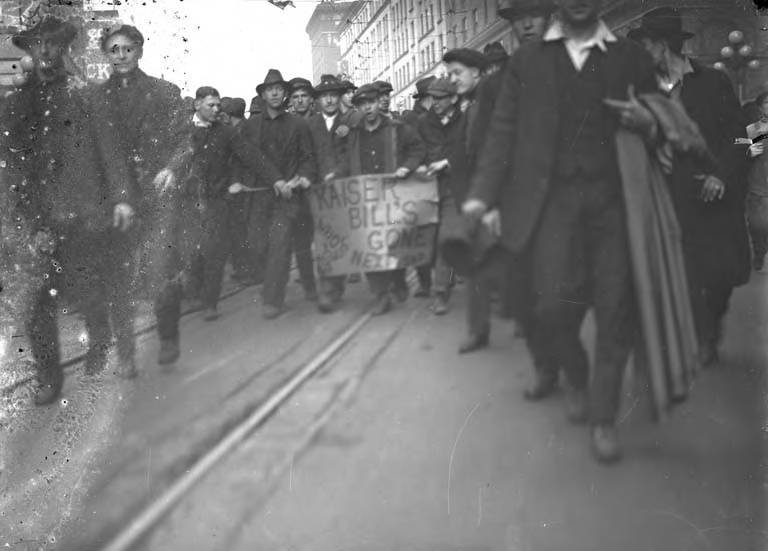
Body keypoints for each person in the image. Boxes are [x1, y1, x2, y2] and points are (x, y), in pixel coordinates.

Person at [464, 0, 658, 463]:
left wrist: (649, 121)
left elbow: (661, 119)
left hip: (614, 202)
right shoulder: (528, 61)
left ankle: (603, 417)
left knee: (615, 308)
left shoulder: (629, 57)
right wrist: (482, 194)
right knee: (550, 305)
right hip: (552, 206)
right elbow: (503, 132)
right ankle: (575, 373)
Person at [3, 17, 137, 403]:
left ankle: (99, 340)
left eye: (53, 44)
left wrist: (123, 196)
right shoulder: (15, 103)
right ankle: (49, 377)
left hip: (81, 214)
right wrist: (16, 215)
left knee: (88, 292)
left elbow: (110, 151)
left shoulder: (86, 95)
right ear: (29, 50)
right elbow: (9, 162)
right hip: (35, 217)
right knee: (34, 303)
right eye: (38, 44)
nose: (45, 51)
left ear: (64, 49)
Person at [629, 7, 751, 366]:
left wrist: (722, 176)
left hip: (709, 195)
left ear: (663, 45)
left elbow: (741, 139)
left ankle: (709, 331)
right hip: (664, 196)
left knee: (717, 276)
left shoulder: (712, 82)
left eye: (645, 44)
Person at [181, 87, 281, 322]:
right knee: (192, 251)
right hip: (188, 202)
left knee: (215, 251)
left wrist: (275, 178)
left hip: (217, 201)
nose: (217, 109)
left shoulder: (226, 133)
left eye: (218, 105)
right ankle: (194, 294)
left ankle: (210, 302)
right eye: (211, 105)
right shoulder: (181, 132)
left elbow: (252, 156)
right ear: (197, 105)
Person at [331, 83, 425, 315]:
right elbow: (348, 160)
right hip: (366, 199)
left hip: (394, 196)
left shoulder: (398, 129)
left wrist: (406, 167)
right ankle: (380, 295)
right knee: (370, 247)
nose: (368, 108)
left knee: (395, 243)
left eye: (371, 103)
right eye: (362, 105)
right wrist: (337, 174)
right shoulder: (354, 134)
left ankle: (398, 280)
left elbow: (417, 150)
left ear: (378, 103)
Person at [443, 47, 504, 354]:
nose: (452, 79)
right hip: (477, 200)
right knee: (478, 266)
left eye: (458, 73)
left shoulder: (489, 105)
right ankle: (479, 330)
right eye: (449, 74)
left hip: (494, 200)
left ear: (477, 73)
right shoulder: (468, 107)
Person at [241, 69, 315, 319]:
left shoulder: (298, 124)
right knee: (257, 245)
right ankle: (270, 285)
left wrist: (300, 178)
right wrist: (272, 180)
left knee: (280, 245)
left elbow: (307, 158)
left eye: (279, 89)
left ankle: (273, 298)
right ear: (262, 94)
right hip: (260, 196)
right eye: (269, 89)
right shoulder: (250, 127)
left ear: (285, 94)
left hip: (287, 198)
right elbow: (248, 158)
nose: (274, 93)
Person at [416, 78, 463, 315]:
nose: (435, 103)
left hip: (455, 190)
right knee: (429, 242)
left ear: (453, 99)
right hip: (427, 189)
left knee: (446, 238)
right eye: (432, 98)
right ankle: (446, 277)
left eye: (440, 98)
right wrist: (419, 165)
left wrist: (448, 162)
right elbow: (416, 150)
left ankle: (440, 293)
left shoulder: (466, 122)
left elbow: (472, 151)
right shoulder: (424, 123)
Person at [307, 75, 349, 313]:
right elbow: (307, 154)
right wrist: (313, 177)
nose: (330, 100)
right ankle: (327, 288)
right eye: (325, 96)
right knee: (323, 240)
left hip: (344, 189)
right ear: (318, 100)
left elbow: (352, 153)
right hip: (318, 190)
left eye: (334, 95)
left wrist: (339, 172)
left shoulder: (349, 121)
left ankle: (336, 283)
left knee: (340, 238)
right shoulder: (310, 125)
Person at [287, 77, 319, 301]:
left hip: (320, 188)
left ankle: (331, 280)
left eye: (304, 97)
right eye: (296, 97)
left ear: (311, 100)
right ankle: (309, 284)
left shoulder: (320, 123)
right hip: (298, 192)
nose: (299, 101)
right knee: (302, 241)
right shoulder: (287, 125)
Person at [219, 97, 253, 285]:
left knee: (242, 229)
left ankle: (247, 270)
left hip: (242, 186)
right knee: (239, 229)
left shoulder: (241, 132)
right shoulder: (242, 129)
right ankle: (244, 268)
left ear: (228, 115)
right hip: (238, 185)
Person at [746, 88, 768, 272]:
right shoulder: (754, 129)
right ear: (761, 107)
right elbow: (748, 149)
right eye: (767, 103)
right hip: (759, 182)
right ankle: (760, 252)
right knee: (758, 225)